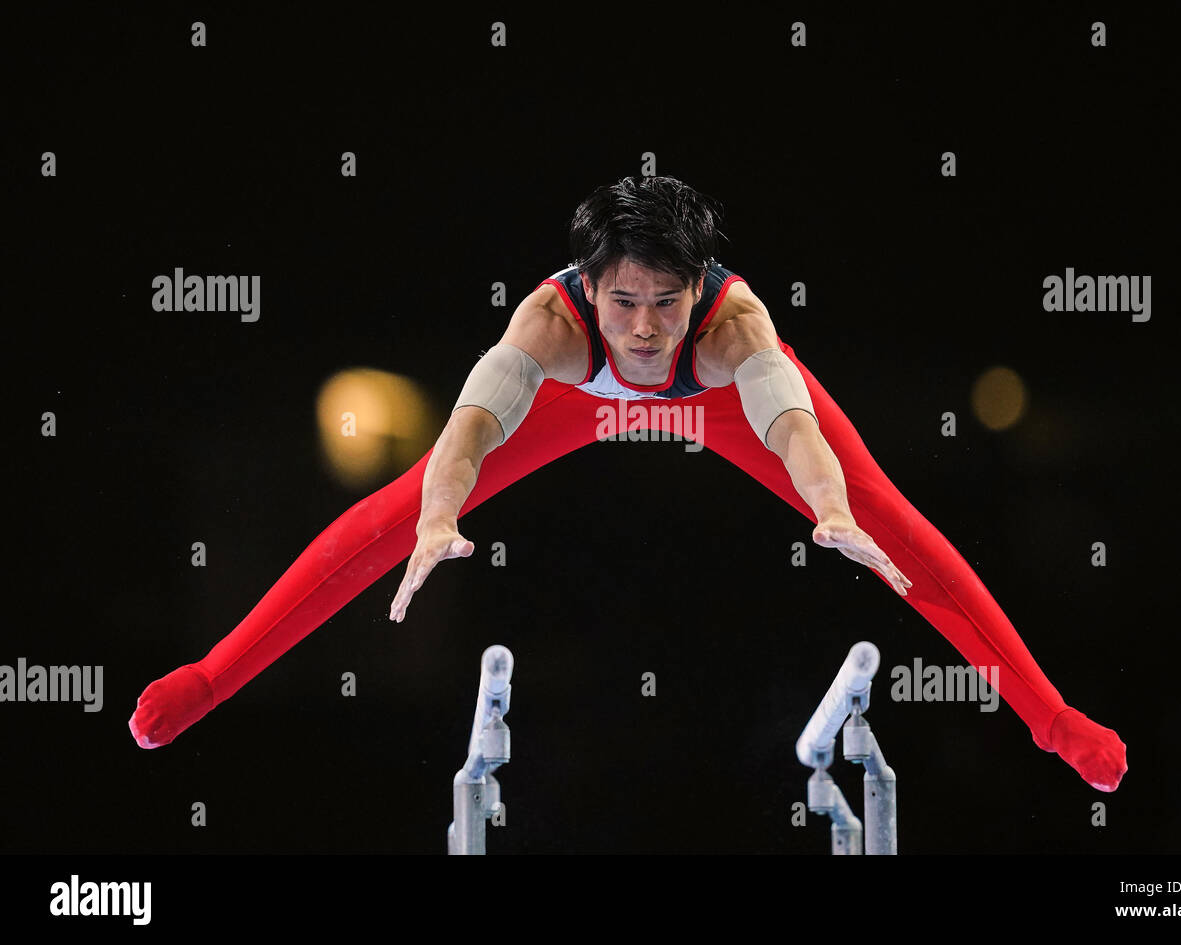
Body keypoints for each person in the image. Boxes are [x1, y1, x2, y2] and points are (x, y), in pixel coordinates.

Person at [130, 176, 1127, 793]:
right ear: (586, 287)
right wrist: (438, 518)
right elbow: (463, 437)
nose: (645, 328)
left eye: (666, 301)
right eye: (623, 302)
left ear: (699, 288)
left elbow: (794, 427)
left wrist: (827, 509)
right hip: (570, 401)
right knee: (390, 516)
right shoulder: (547, 331)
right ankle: (210, 681)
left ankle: (1052, 720)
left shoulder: (737, 334)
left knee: (888, 521)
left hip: (724, 403)